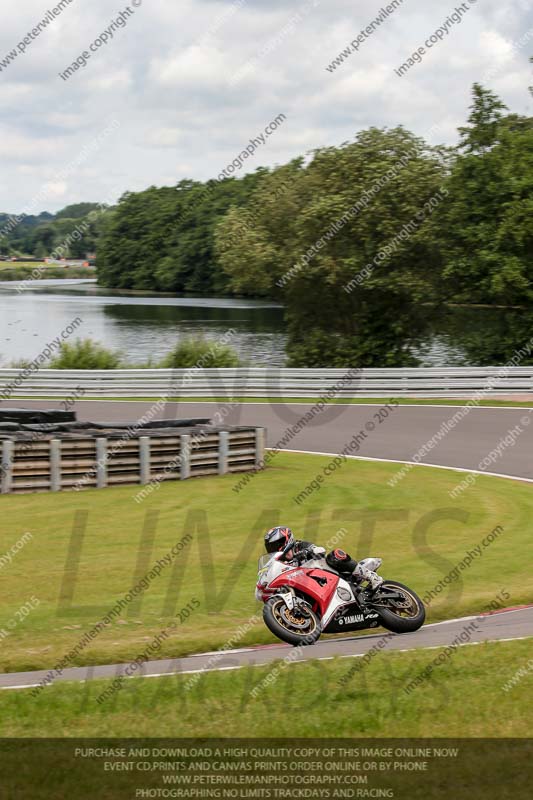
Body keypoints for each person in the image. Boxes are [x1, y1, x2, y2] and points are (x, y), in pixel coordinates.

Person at [263, 526, 383, 589]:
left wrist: (307, 552)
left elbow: (319, 550)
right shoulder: (281, 563)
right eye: (271, 547)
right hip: (314, 586)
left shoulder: (300, 546)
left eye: (277, 545)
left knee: (335, 555)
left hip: (331, 575)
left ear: (286, 540)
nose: (275, 549)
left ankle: (370, 576)